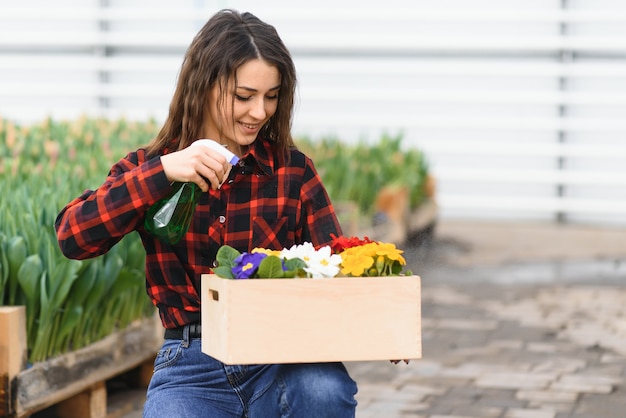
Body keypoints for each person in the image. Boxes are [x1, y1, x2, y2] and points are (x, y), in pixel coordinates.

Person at [55, 9, 358, 418]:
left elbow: (338, 272)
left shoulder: (293, 172)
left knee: (324, 391)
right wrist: (163, 173)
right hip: (191, 361)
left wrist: (378, 324)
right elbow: (73, 237)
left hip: (281, 355)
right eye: (244, 96)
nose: (260, 112)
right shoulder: (153, 167)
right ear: (203, 84)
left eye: (272, 97)